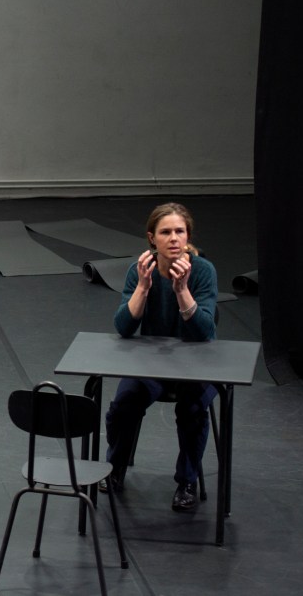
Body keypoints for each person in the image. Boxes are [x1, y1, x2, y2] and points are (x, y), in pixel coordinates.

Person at [102, 203, 218, 512]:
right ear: (152, 238)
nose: (174, 238)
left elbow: (205, 332)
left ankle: (187, 481)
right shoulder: (140, 270)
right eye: (166, 232)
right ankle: (115, 466)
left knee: (193, 409)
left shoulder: (203, 271)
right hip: (152, 363)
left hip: (195, 363)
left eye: (180, 231)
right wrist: (142, 286)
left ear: (188, 236)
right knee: (124, 404)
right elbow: (123, 327)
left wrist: (182, 291)